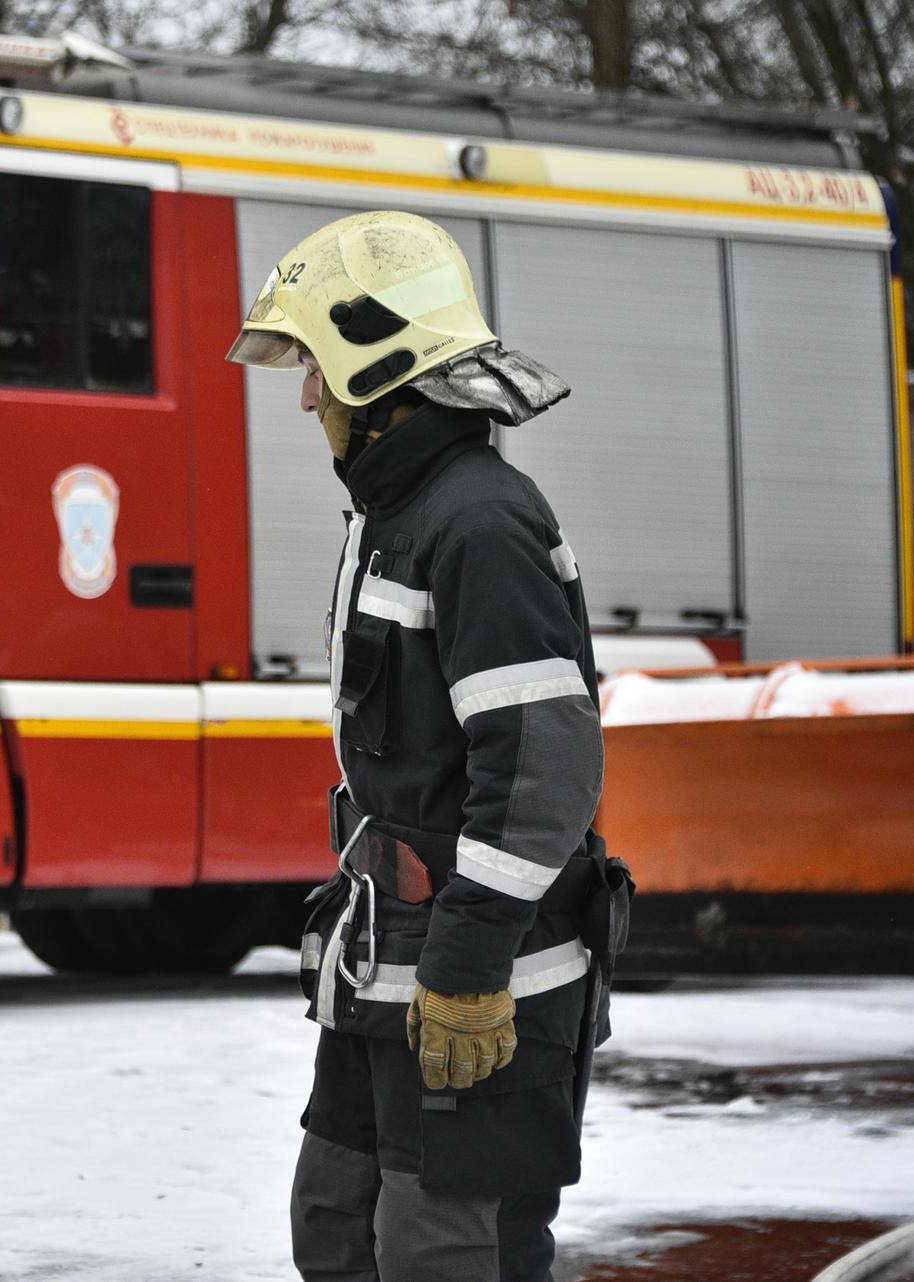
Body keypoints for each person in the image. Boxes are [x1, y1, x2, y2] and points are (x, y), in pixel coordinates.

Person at [227, 211, 631, 1282]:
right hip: (386, 969)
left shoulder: (479, 525)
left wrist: (465, 967)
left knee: (445, 1257)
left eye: (313, 364)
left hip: (477, 980)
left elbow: (543, 771)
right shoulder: (393, 513)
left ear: (377, 369)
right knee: (338, 1229)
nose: (305, 394)